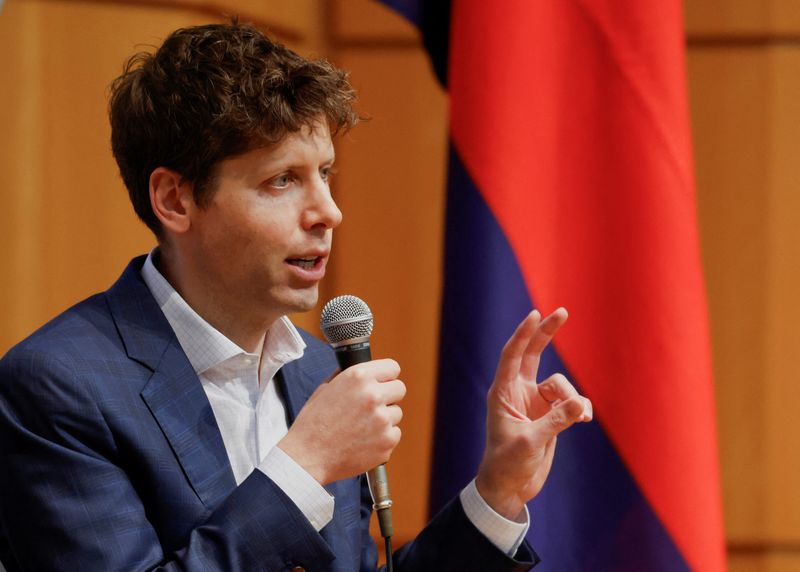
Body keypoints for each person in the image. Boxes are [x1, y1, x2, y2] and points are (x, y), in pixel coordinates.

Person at [0, 21, 592, 571]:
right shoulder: (57, 386)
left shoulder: (315, 373)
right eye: (282, 180)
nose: (329, 212)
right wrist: (304, 467)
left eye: (325, 174)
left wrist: (497, 492)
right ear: (175, 201)